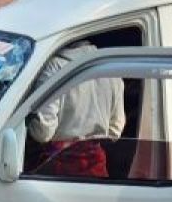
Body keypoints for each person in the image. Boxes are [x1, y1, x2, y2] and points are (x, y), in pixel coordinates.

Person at [26, 41, 125, 178]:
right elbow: (115, 130)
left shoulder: (55, 67)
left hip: (60, 169)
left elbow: (43, 132)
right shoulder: (111, 71)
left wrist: (27, 122)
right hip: (96, 170)